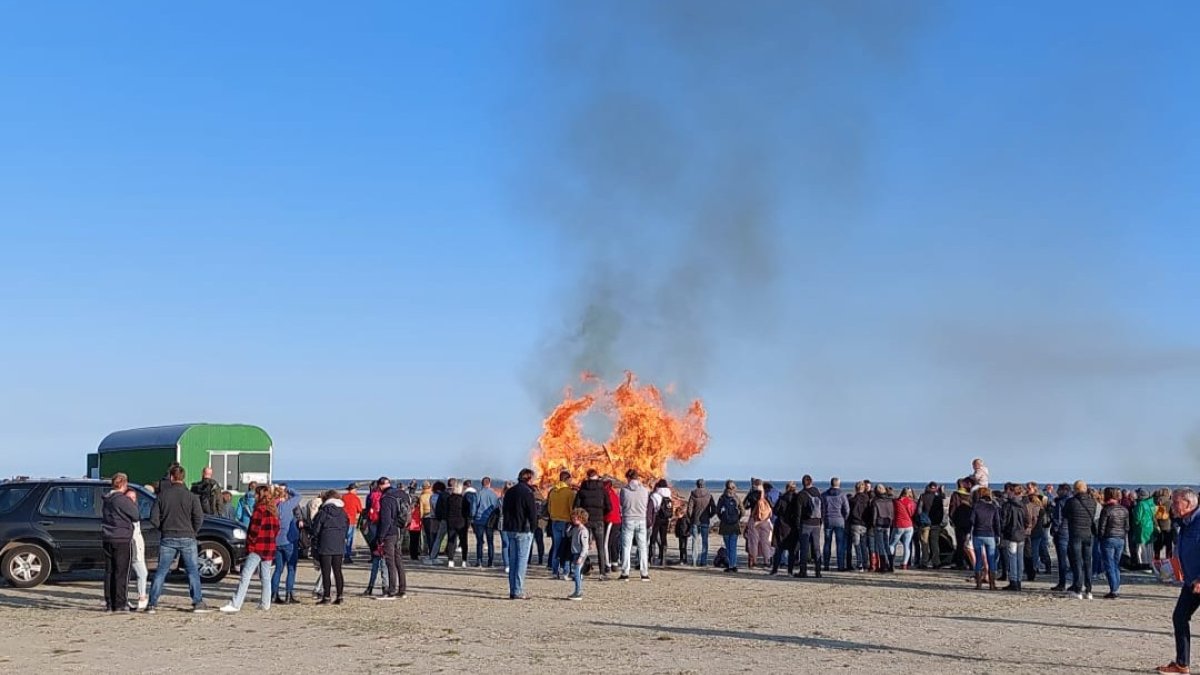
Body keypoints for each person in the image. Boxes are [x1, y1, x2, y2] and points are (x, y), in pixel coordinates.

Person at [146, 465, 208, 613]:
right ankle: (197, 602)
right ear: (183, 478)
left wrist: (163, 528)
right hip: (187, 536)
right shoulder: (191, 497)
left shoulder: (162, 496)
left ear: (172, 478)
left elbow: (153, 518)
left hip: (168, 536)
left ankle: (152, 603)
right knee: (192, 570)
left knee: (161, 571)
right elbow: (199, 517)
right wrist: (193, 530)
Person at [1156, 488, 1200, 674]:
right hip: (1190, 581)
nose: (1171, 507)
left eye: (1175, 503)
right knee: (1179, 617)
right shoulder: (1185, 522)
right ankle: (1182, 664)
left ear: (1188, 503)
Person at [221, 484, 279, 612]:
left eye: (257, 494)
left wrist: (250, 545)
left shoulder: (260, 510)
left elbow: (254, 531)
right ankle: (265, 603)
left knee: (246, 574)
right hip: (269, 547)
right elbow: (276, 530)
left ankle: (236, 603)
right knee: (265, 576)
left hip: (258, 547)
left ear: (260, 496)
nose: (255, 496)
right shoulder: (273, 511)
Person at [101, 473, 139, 613]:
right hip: (121, 538)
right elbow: (135, 515)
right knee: (121, 572)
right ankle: (120, 603)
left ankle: (110, 603)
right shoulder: (122, 500)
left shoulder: (107, 499)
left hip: (108, 537)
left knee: (109, 571)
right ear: (124, 484)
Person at [502, 468, 537, 600]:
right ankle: (518, 591)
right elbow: (532, 513)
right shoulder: (528, 492)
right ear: (528, 478)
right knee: (522, 562)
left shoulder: (510, 492)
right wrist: (533, 528)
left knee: (513, 560)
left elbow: (504, 510)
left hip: (510, 529)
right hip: (523, 530)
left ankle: (513, 589)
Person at [310, 489, 349, 605]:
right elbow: (346, 527)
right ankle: (340, 596)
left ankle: (326, 597)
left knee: (326, 572)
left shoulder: (323, 512)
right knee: (338, 571)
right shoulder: (342, 512)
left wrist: (315, 540)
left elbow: (316, 529)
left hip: (325, 543)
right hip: (339, 543)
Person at [573, 469, 612, 577]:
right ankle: (602, 573)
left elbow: (576, 506)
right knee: (600, 547)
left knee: (583, 546)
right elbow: (609, 507)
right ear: (597, 477)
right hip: (599, 520)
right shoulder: (602, 490)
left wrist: (582, 517)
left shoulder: (582, 490)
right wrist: (601, 513)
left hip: (585, 521)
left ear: (587, 477)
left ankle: (582, 570)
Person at [1064, 480, 1098, 600]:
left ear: (1076, 489)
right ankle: (1088, 590)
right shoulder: (1092, 502)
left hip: (1075, 533)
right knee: (1088, 562)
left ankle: (1078, 589)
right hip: (1088, 533)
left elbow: (1065, 515)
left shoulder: (1071, 502)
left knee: (1077, 562)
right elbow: (1093, 515)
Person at [375, 476, 408, 600]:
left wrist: (380, 536)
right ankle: (402, 589)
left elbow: (386, 520)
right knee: (398, 560)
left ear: (381, 486)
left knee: (390, 562)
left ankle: (392, 591)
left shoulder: (386, 498)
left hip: (390, 532)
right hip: (401, 530)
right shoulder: (401, 494)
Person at [1097, 486, 1129, 599]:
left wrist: (1100, 537)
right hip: (1120, 538)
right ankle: (1115, 587)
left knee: (1109, 564)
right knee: (1115, 564)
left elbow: (1102, 527)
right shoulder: (1124, 509)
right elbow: (1127, 527)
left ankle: (1114, 589)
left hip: (1109, 538)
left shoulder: (1106, 509)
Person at [272, 484, 302, 605]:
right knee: (291, 568)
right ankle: (289, 594)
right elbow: (298, 495)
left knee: (278, 569)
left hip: (276, 541)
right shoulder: (286, 505)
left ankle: (274, 594)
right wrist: (288, 489)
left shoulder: (272, 507)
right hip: (289, 540)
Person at [619, 469, 651, 581]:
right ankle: (644, 573)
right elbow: (646, 503)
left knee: (626, 547)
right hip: (641, 520)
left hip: (628, 519)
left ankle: (625, 572)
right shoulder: (645, 491)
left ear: (628, 478)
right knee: (643, 547)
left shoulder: (624, 490)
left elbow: (622, 503)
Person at [969, 487, 1001, 591]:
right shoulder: (993, 507)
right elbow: (997, 522)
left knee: (978, 559)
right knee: (991, 559)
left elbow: (972, 520)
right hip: (990, 534)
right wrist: (998, 535)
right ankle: (992, 584)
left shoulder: (976, 506)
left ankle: (978, 584)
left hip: (978, 533)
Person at [547, 471, 577, 579]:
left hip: (554, 521)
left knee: (556, 546)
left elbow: (549, 508)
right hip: (566, 522)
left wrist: (553, 516)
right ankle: (566, 571)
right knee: (566, 547)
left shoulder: (553, 491)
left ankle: (555, 571)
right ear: (567, 479)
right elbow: (571, 509)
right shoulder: (569, 493)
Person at [999, 485, 1028, 591]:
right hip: (1020, 534)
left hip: (1011, 534)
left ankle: (1014, 581)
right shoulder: (1023, 505)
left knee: (1013, 558)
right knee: (1019, 558)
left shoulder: (1008, 505)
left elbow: (1003, 521)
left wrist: (1003, 531)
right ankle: (1018, 580)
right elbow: (1027, 520)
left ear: (1012, 492)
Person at [125, 489, 149, 610]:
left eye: (134, 498)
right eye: (129, 498)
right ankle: (142, 597)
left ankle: (140, 597)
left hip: (138, 547)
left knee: (140, 573)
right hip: (133, 548)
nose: (132, 500)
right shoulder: (127, 514)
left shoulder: (135, 512)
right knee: (142, 573)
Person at [796, 475, 824, 578]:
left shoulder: (801, 495)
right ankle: (818, 571)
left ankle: (803, 571)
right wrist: (821, 521)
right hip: (816, 523)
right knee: (817, 548)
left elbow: (798, 513)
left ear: (803, 483)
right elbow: (822, 508)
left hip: (806, 523)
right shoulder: (817, 493)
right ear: (812, 482)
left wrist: (798, 525)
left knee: (804, 549)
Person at [769, 482, 799, 576]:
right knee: (792, 551)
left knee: (779, 549)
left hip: (781, 525)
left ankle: (775, 570)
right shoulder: (797, 499)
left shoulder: (782, 498)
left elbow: (776, 511)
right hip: (792, 526)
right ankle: (790, 571)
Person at [743, 479, 772, 569]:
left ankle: (754, 561)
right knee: (765, 542)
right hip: (765, 520)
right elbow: (771, 507)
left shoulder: (752, 494)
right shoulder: (765, 495)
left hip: (754, 519)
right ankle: (766, 561)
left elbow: (744, 506)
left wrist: (749, 494)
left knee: (753, 542)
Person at [822, 477, 850, 572]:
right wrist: (844, 518)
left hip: (828, 520)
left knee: (827, 543)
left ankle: (826, 565)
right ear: (838, 484)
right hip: (839, 521)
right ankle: (840, 566)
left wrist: (824, 517)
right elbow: (847, 509)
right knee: (840, 544)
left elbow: (822, 508)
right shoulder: (842, 495)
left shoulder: (825, 495)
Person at [1049, 482, 1074, 592]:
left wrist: (1054, 531)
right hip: (1072, 532)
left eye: (1059, 490)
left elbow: (1057, 519)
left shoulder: (1061, 502)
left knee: (1062, 560)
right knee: (1073, 559)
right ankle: (1074, 581)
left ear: (1064, 490)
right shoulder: (1073, 501)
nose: (1057, 492)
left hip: (1062, 533)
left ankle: (1062, 583)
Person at [716, 480, 745, 572]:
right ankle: (734, 564)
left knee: (728, 546)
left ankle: (729, 565)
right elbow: (743, 511)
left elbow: (718, 511)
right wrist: (738, 518)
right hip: (734, 525)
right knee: (733, 546)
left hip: (725, 525)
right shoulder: (736, 498)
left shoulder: (722, 498)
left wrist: (722, 518)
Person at [473, 476, 502, 567]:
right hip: (490, 521)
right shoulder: (493, 494)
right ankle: (490, 561)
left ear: (482, 483)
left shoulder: (479, 493)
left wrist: (473, 518)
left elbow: (474, 507)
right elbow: (497, 507)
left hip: (479, 520)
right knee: (490, 541)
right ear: (489, 483)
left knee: (480, 541)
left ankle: (479, 561)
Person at [686, 479, 714, 567]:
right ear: (704, 485)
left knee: (695, 540)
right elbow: (714, 509)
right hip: (705, 520)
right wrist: (709, 516)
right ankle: (703, 561)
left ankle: (694, 561)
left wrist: (691, 517)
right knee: (704, 541)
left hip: (695, 521)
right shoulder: (709, 495)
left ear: (697, 485)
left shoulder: (693, 494)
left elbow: (689, 509)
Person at [916, 482, 945, 569]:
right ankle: (936, 562)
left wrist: (919, 521)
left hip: (925, 523)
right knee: (934, 544)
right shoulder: (938, 498)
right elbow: (941, 511)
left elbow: (919, 510)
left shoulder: (923, 496)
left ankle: (924, 562)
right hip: (935, 523)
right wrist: (939, 521)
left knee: (925, 544)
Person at [868, 484, 895, 573]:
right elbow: (892, 513)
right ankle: (891, 565)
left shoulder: (875, 501)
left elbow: (874, 515)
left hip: (879, 524)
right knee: (886, 544)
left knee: (881, 546)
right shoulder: (889, 500)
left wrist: (873, 523)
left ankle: (883, 565)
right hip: (887, 524)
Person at [567, 508, 591, 601]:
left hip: (580, 554)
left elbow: (585, 546)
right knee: (575, 573)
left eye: (575, 518)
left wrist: (581, 557)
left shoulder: (583, 531)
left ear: (581, 518)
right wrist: (569, 526)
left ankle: (578, 591)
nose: (573, 519)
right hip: (574, 553)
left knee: (577, 573)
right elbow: (568, 534)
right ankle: (577, 591)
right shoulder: (575, 529)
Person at [892, 487, 917, 571]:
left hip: (899, 524)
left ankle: (890, 561)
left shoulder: (896, 502)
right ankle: (904, 564)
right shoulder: (912, 502)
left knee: (892, 544)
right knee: (906, 545)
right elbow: (912, 513)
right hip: (909, 525)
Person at [648, 479, 672, 567]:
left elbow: (651, 508)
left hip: (656, 518)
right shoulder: (669, 495)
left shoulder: (655, 495)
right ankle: (663, 559)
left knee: (653, 537)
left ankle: (651, 558)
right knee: (663, 537)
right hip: (665, 519)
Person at [848, 481, 871, 571]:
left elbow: (849, 513)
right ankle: (865, 563)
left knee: (857, 545)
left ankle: (860, 563)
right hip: (864, 524)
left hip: (855, 524)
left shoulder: (853, 500)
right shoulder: (867, 499)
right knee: (863, 545)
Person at [1134, 488, 1157, 570]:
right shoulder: (1151, 503)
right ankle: (1150, 563)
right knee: (1149, 546)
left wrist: (1135, 524)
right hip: (1149, 526)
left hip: (1142, 528)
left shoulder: (1140, 504)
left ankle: (1142, 564)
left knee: (1141, 547)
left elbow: (1137, 518)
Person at [342, 483, 364, 563]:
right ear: (354, 490)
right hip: (351, 520)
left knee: (343, 538)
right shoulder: (355, 498)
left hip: (343, 521)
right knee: (349, 539)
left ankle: (343, 554)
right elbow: (360, 510)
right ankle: (347, 556)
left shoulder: (343, 497)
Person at [603, 478, 622, 573]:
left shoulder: (606, 494)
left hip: (611, 520)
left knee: (606, 544)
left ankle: (607, 565)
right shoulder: (614, 494)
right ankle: (615, 564)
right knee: (614, 542)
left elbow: (607, 508)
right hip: (617, 521)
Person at [418, 481, 435, 557]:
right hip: (433, 516)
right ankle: (433, 551)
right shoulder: (432, 495)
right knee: (433, 535)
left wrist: (420, 518)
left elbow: (421, 509)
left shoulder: (422, 496)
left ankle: (428, 550)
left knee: (427, 535)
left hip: (426, 516)